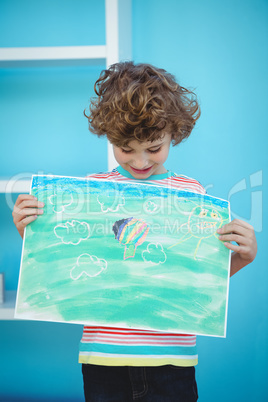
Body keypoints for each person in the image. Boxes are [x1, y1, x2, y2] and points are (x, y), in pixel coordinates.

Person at [12, 61, 257, 401]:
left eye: (154, 148)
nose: (140, 162)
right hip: (102, 360)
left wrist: (242, 258)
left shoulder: (193, 194)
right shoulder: (88, 194)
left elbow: (197, 280)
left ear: (175, 133)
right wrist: (31, 232)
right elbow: (62, 266)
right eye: (126, 149)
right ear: (109, 135)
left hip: (171, 363)